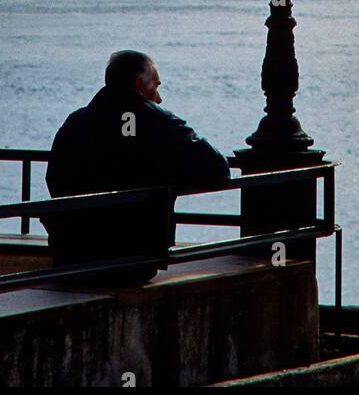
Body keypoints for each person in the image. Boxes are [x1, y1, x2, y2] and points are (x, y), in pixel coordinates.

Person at [42, 50, 230, 282]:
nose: (159, 97)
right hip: (133, 262)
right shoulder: (159, 121)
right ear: (139, 83)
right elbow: (218, 169)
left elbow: (54, 178)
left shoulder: (75, 122)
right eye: (156, 86)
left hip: (73, 259)